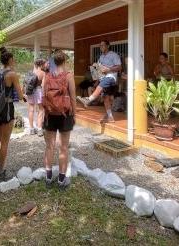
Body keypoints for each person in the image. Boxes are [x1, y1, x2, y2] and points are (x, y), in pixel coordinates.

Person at [0, 47, 25, 182]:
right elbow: (20, 95)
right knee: (5, 142)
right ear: (10, 60)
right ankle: (0, 172)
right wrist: (23, 94)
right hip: (7, 108)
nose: (14, 60)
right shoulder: (12, 74)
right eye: (13, 58)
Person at [42, 50, 76, 190]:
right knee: (63, 147)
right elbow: (73, 97)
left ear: (54, 62)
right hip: (64, 114)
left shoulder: (47, 76)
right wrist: (74, 114)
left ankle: (48, 177)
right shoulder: (68, 76)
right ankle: (62, 179)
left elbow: (44, 95)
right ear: (64, 61)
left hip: (50, 114)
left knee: (49, 146)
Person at [76, 41, 122, 123]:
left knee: (101, 88)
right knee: (105, 98)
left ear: (108, 46)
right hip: (102, 78)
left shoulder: (114, 55)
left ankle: (88, 100)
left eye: (103, 45)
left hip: (110, 77)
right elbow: (99, 70)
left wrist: (109, 69)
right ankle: (110, 117)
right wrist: (95, 71)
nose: (101, 47)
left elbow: (119, 67)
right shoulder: (100, 57)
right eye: (100, 46)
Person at [26, 58, 46, 136]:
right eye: (44, 64)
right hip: (38, 91)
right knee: (41, 109)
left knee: (31, 109)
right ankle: (39, 129)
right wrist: (44, 95)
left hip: (30, 91)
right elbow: (43, 85)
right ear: (41, 64)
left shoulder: (31, 72)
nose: (45, 65)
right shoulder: (43, 73)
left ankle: (31, 129)